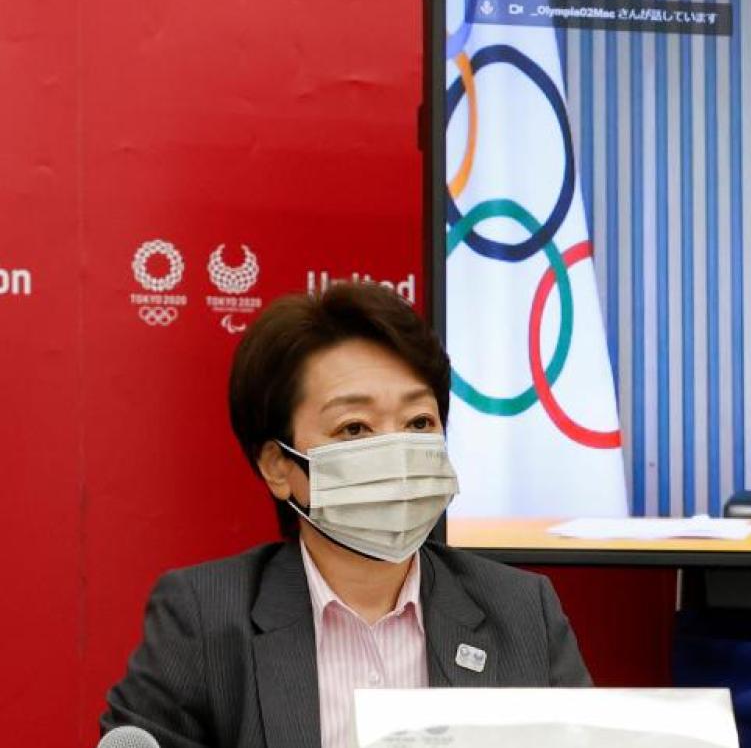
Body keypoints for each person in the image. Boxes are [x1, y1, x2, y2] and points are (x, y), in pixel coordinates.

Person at [101, 283, 590, 748]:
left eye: (419, 422)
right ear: (279, 467)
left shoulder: (521, 612)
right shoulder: (204, 619)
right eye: (354, 428)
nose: (396, 452)